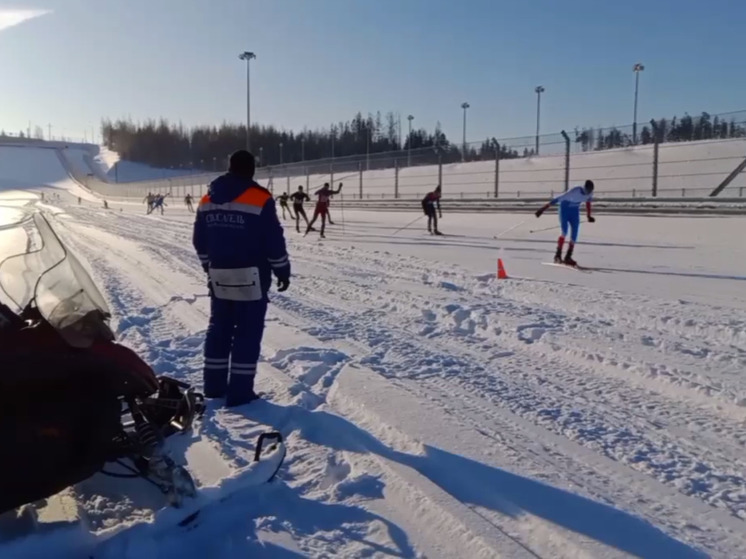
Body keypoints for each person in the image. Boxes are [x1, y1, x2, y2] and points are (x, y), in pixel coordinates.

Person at [193, 150, 290, 407]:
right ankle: (240, 392)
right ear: (251, 170)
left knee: (219, 329)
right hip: (251, 277)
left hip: (219, 275)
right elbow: (273, 239)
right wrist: (282, 269)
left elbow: (199, 239)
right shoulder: (259, 198)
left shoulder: (207, 199)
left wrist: (208, 267)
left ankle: (213, 387)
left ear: (229, 167)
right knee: (247, 332)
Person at [535, 179, 596, 266]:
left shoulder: (590, 194)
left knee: (574, 234)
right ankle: (558, 254)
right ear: (584, 188)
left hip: (574, 212)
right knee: (564, 232)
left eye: (590, 191)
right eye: (587, 190)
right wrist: (543, 208)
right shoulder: (575, 190)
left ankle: (568, 257)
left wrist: (589, 216)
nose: (588, 193)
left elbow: (588, 204)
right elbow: (558, 198)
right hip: (565, 210)